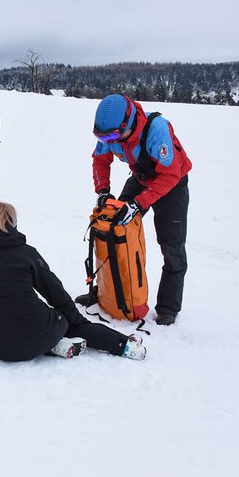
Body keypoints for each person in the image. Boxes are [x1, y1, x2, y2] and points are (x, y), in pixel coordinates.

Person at [0, 202, 146, 361]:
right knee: (67, 323)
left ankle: (53, 346)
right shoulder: (26, 254)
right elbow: (56, 292)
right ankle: (124, 345)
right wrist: (78, 323)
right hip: (40, 332)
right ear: (13, 224)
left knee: (36, 326)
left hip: (2, 349)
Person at [78, 93, 192, 326]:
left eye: (113, 136)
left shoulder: (157, 129)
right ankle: (107, 292)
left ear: (128, 123)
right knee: (112, 229)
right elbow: (100, 160)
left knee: (172, 247)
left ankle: (168, 307)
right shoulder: (109, 132)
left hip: (171, 184)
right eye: (104, 137)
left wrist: (138, 204)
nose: (110, 141)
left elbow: (169, 174)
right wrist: (103, 191)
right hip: (141, 178)